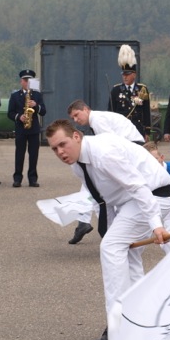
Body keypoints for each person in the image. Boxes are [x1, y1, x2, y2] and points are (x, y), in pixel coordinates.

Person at [45, 119, 170, 340]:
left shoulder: (104, 153)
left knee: (111, 248)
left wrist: (156, 225)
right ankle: (142, 321)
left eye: (63, 144)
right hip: (129, 204)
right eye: (54, 148)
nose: (60, 152)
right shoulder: (78, 164)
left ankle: (118, 329)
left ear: (76, 136)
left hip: (152, 197)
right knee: (125, 253)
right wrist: (111, 230)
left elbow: (138, 187)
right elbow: (102, 200)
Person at [66, 99, 146, 244]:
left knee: (94, 188)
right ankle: (85, 222)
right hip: (130, 147)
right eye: (73, 118)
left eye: (77, 115)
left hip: (132, 149)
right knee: (90, 185)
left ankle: (103, 229)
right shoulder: (97, 118)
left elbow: (109, 144)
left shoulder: (97, 120)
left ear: (86, 109)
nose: (76, 120)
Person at [8, 69, 46, 187]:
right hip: (20, 129)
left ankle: (33, 178)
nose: (27, 82)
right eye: (25, 80)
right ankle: (17, 178)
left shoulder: (37, 95)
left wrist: (36, 105)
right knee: (19, 154)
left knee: (33, 154)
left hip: (33, 129)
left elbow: (44, 111)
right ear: (21, 81)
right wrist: (19, 117)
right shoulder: (15, 96)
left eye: (29, 80)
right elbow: (10, 113)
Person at [109, 44, 151, 140]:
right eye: (123, 74)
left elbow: (146, 112)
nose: (125, 77)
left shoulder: (142, 89)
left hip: (137, 129)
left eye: (127, 74)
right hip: (121, 130)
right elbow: (112, 112)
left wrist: (147, 131)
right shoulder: (116, 90)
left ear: (134, 75)